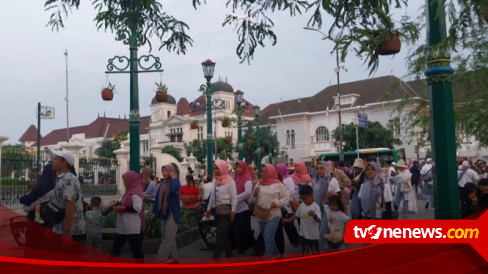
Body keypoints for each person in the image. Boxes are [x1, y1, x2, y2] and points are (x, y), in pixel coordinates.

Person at [48, 149, 86, 243]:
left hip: (70, 232)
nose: (53, 161)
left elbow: (70, 206)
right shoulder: (63, 178)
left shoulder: (68, 180)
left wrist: (67, 234)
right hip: (60, 228)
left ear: (64, 162)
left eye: (56, 159)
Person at [253, 164, 289, 257]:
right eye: (262, 171)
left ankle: (269, 259)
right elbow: (253, 200)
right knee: (267, 237)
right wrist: (254, 194)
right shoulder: (259, 183)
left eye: (266, 171)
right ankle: (276, 255)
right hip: (261, 213)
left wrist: (276, 203)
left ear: (271, 171)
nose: (263, 173)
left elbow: (286, 198)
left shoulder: (279, 184)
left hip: (273, 214)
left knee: (268, 237)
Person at [205, 160, 238, 260]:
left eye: (217, 168)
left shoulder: (230, 180)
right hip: (216, 210)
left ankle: (215, 259)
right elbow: (212, 196)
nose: (215, 170)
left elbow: (234, 197)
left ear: (223, 168)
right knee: (224, 235)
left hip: (226, 211)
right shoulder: (215, 180)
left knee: (220, 234)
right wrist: (209, 208)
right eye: (214, 168)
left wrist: (233, 210)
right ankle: (230, 257)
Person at [110, 171, 145, 260]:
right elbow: (122, 202)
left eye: (126, 181)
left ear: (132, 181)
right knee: (115, 250)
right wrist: (116, 203)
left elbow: (137, 208)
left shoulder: (136, 194)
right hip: (123, 227)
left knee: (136, 252)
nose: (124, 183)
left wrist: (123, 208)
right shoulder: (127, 193)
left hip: (132, 228)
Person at [153, 164, 181, 263]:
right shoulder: (162, 184)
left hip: (172, 213)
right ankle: (175, 258)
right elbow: (157, 199)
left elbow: (175, 190)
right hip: (163, 213)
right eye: (163, 171)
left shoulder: (176, 182)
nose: (164, 173)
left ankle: (159, 261)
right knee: (167, 237)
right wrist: (154, 212)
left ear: (171, 171)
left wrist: (173, 177)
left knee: (167, 238)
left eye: (166, 171)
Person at [283, 185, 321, 256]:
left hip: (313, 236)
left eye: (305, 199)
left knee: (315, 252)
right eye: (302, 199)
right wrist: (288, 220)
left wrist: (314, 216)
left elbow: (319, 220)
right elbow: (296, 215)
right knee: (302, 253)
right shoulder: (302, 205)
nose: (303, 201)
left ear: (311, 196)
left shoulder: (316, 207)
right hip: (302, 235)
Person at [312, 161, 340, 250]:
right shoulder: (314, 181)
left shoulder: (332, 180)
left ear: (326, 169)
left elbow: (338, 194)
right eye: (317, 169)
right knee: (322, 233)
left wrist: (331, 194)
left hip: (329, 210)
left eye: (321, 168)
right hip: (317, 210)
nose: (319, 171)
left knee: (325, 232)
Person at [232, 161, 255, 254]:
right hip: (236, 208)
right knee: (238, 228)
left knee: (244, 228)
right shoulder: (235, 178)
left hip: (244, 207)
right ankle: (243, 246)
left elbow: (248, 192)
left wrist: (236, 198)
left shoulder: (247, 179)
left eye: (239, 167)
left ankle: (250, 245)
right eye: (236, 167)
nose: (237, 168)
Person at [276, 163, 299, 248]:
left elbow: (291, 192)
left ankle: (295, 241)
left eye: (279, 169)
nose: (277, 171)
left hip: (287, 206)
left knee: (289, 227)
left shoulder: (288, 179)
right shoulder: (276, 179)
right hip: (278, 207)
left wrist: (283, 200)